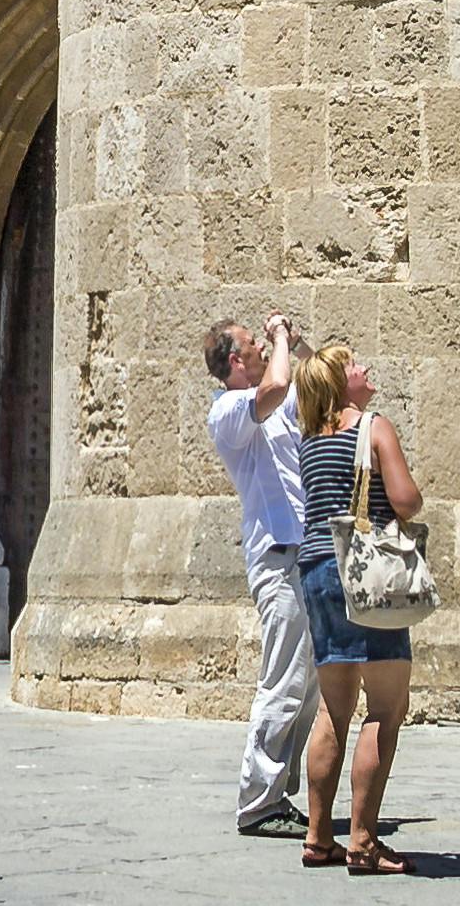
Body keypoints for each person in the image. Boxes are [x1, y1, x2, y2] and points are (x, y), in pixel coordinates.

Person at [290, 341, 424, 874]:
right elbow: (407, 499)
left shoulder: (308, 440)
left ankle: (318, 837)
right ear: (342, 383)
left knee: (333, 710)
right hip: (366, 571)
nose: (364, 367)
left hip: (316, 568)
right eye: (353, 363)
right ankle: (364, 841)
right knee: (386, 709)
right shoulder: (373, 427)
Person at [202, 314, 315, 835]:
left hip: (304, 554)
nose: (264, 350)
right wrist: (278, 338)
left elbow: (309, 379)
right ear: (234, 360)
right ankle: (257, 799)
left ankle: (278, 792)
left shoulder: (276, 400)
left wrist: (294, 341)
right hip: (275, 557)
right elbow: (278, 385)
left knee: (307, 685)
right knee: (283, 681)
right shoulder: (228, 410)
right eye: (254, 345)